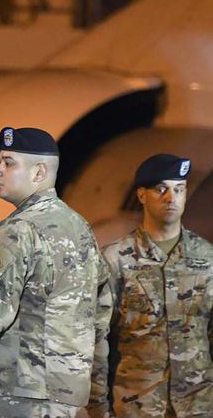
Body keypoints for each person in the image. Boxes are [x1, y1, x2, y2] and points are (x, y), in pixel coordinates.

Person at [0, 126, 112, 418]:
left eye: (8, 162)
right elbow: (100, 312)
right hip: (64, 391)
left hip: (16, 389)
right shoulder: (81, 229)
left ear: (39, 173)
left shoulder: (18, 229)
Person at [98, 154, 213, 417]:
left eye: (179, 189)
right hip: (137, 406)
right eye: (161, 189)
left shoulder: (207, 259)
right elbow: (96, 340)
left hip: (198, 406)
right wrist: (98, 407)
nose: (171, 198)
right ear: (141, 195)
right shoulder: (116, 259)